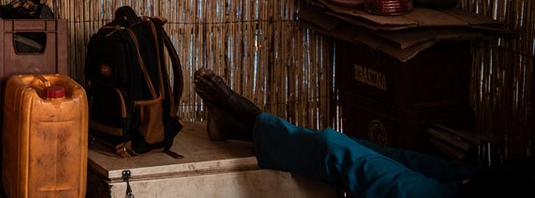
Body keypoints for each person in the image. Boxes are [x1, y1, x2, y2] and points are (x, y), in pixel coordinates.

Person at [194, 68, 531, 198]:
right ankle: (238, 127)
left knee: (336, 149)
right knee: (369, 148)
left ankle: (249, 118)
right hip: (471, 179)